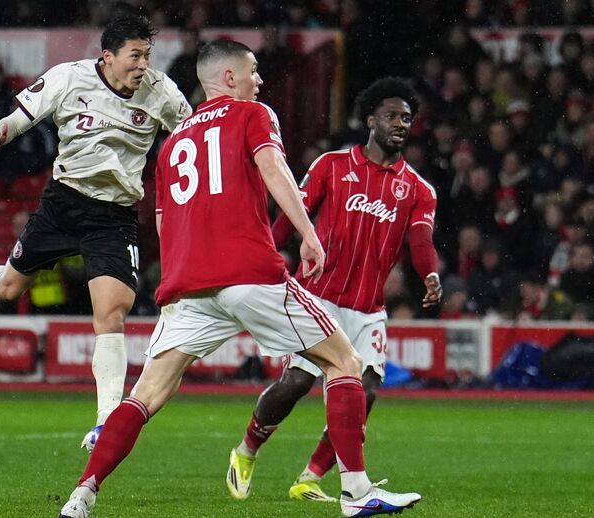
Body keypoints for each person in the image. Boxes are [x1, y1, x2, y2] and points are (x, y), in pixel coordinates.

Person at [57, 40, 421, 518]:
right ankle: (355, 494)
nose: (260, 81)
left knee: (144, 395)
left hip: (190, 286)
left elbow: (165, 223)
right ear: (229, 78)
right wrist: (309, 236)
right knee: (345, 362)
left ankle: (81, 496)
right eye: (253, 71)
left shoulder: (172, 144)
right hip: (248, 273)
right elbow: (272, 167)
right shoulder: (253, 114)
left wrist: (171, 287)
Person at [0, 14, 191, 451]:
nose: (143, 65)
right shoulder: (70, 78)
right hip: (63, 203)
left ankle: (106, 419)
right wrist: (1, 130)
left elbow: (194, 137)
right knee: (9, 288)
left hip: (113, 215)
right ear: (108, 57)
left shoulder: (163, 93)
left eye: (147, 56)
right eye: (135, 56)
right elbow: (23, 115)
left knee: (112, 312)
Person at [226, 77, 441, 503]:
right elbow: (293, 215)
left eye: (407, 119)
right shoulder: (331, 166)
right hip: (317, 298)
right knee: (296, 383)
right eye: (393, 116)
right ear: (370, 119)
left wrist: (429, 274)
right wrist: (264, 252)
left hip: (368, 308)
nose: (401, 124)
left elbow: (420, 240)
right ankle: (246, 450)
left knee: (368, 390)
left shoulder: (417, 189)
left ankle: (311, 477)